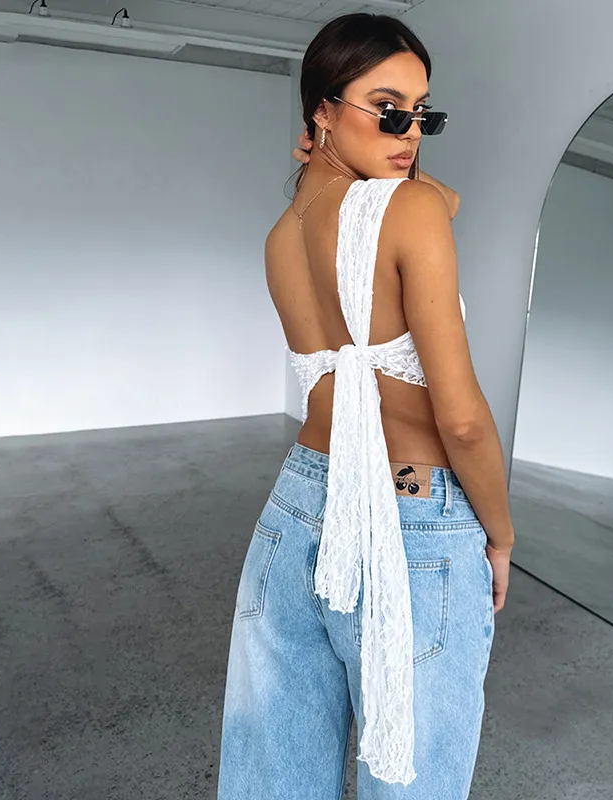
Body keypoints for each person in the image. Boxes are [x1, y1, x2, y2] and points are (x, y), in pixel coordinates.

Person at [217, 12, 515, 800]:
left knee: (272, 781)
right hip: (411, 516)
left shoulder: (283, 236)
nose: (409, 132)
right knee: (412, 780)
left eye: (422, 114)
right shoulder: (408, 213)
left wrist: (345, 149)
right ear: (323, 107)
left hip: (296, 510)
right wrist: (501, 533)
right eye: (387, 110)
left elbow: (435, 198)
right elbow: (462, 420)